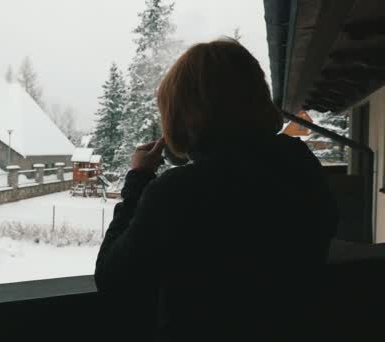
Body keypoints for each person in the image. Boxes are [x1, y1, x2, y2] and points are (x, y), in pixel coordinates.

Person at [94, 39, 339, 340]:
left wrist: (138, 177)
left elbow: (112, 279)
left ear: (187, 114)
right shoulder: (302, 167)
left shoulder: (180, 192)